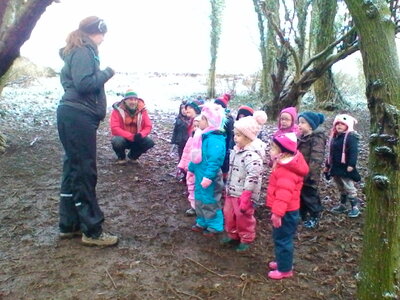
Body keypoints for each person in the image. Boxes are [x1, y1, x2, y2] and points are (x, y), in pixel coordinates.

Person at [57, 16, 117, 246]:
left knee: (73, 167)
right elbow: (84, 84)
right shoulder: (83, 50)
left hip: (72, 114)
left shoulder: (76, 50)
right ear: (96, 32)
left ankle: (69, 224)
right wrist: (107, 72)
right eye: (103, 33)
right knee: (84, 171)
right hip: (78, 116)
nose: (103, 38)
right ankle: (92, 230)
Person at [221, 111, 267, 252]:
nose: (235, 138)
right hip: (232, 190)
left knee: (243, 217)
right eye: (235, 134)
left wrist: (247, 194)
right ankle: (232, 234)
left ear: (248, 137)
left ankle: (246, 237)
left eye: (239, 135)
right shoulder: (237, 150)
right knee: (229, 214)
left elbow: (253, 176)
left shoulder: (252, 156)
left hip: (243, 194)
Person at [266, 132, 309, 280]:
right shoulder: (284, 165)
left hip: (285, 212)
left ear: (283, 153)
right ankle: (282, 262)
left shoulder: (286, 171)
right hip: (286, 210)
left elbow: (283, 195)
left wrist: (277, 213)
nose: (270, 151)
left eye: (273, 148)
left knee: (283, 239)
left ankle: (285, 269)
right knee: (281, 237)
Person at [189, 103, 226, 236]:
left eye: (203, 119)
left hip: (209, 177)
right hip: (200, 174)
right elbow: (196, 154)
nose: (200, 121)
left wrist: (209, 176)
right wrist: (191, 168)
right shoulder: (201, 136)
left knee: (210, 200)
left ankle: (215, 224)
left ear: (210, 121)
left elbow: (215, 161)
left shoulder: (215, 139)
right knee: (199, 197)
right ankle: (202, 220)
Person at [324, 114, 361, 218]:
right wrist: (327, 166)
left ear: (348, 125)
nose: (339, 126)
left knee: (349, 186)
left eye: (342, 124)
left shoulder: (351, 137)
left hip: (345, 167)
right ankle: (343, 205)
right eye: (337, 124)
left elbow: (354, 152)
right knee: (340, 186)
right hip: (335, 167)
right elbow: (330, 153)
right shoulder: (335, 137)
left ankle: (355, 207)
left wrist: (351, 164)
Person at [297, 111, 327, 229]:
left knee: (310, 194)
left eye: (303, 123)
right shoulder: (302, 137)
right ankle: (302, 214)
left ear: (311, 125)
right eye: (299, 122)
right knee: (301, 194)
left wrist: (310, 173)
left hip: (310, 173)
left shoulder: (317, 138)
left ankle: (315, 215)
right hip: (300, 171)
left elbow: (317, 157)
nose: (299, 125)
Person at [110, 89, 155, 164]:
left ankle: (132, 156)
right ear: (125, 101)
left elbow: (148, 126)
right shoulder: (117, 110)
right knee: (117, 141)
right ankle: (121, 157)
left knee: (149, 142)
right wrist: (131, 136)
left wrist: (141, 134)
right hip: (123, 137)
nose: (133, 102)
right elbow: (114, 128)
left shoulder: (143, 110)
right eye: (130, 99)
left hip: (137, 137)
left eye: (135, 100)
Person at [177, 115, 201, 216]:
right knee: (190, 186)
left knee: (197, 187)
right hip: (190, 167)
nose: (195, 129)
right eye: (194, 126)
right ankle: (193, 206)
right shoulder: (191, 138)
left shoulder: (202, 141)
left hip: (197, 169)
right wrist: (183, 165)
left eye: (198, 126)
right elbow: (186, 152)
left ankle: (198, 207)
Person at [214, 93, 234, 181]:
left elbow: (230, 134)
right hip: (216, 143)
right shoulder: (212, 117)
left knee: (224, 160)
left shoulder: (228, 119)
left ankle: (224, 178)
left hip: (225, 143)